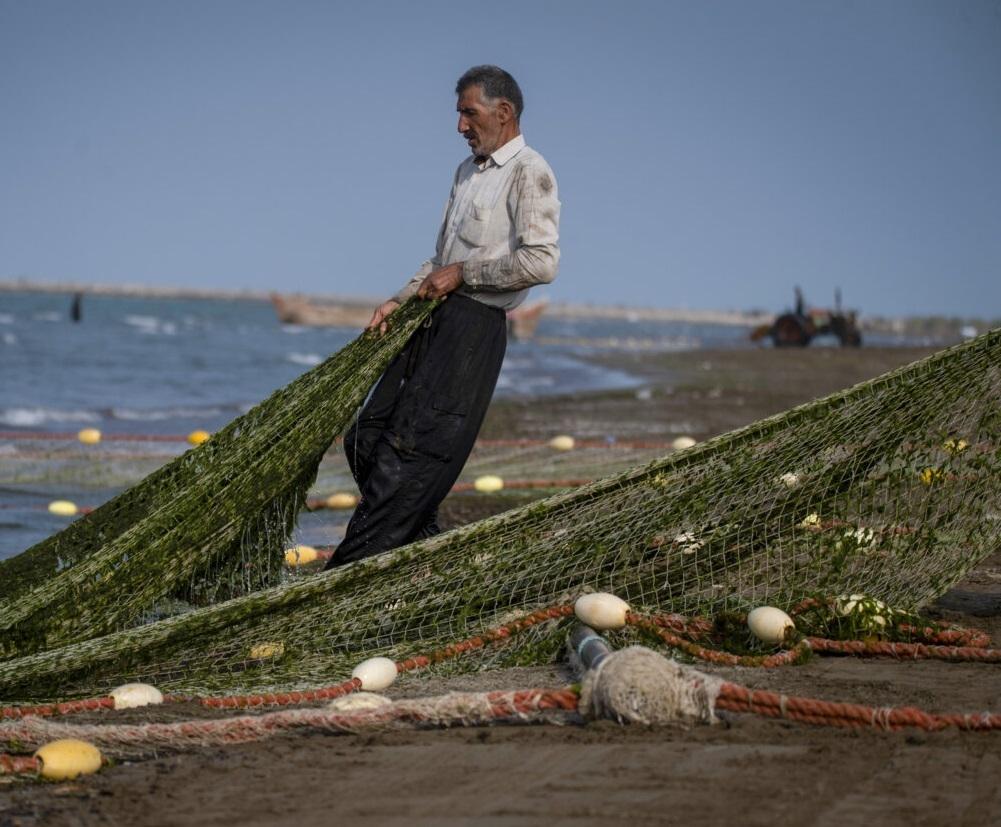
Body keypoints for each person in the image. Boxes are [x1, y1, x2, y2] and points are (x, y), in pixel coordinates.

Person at [325, 65, 560, 569]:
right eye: (458, 114)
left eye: (468, 113)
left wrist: (464, 274)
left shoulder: (530, 171)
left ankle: (352, 568)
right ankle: (421, 546)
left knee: (413, 452)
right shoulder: (466, 173)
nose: (459, 126)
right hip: (429, 317)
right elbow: (439, 259)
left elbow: (541, 263)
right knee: (368, 432)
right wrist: (400, 298)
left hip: (472, 329)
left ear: (504, 113)